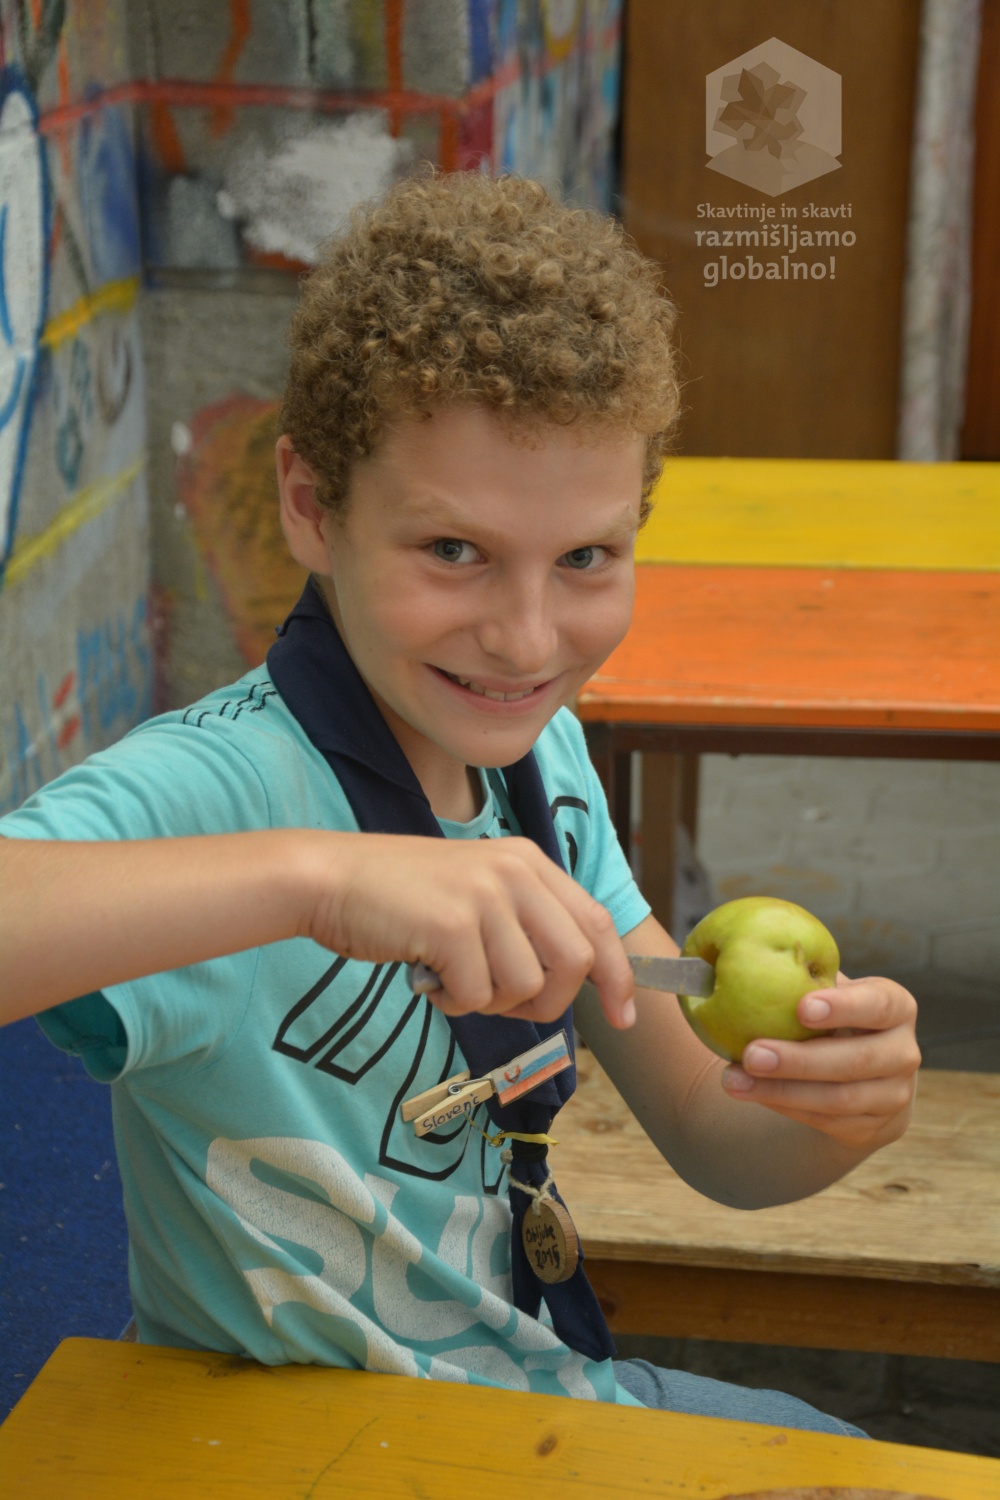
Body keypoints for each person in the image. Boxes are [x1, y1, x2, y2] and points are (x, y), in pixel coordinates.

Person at [0, 173, 918, 1434]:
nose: (526, 638)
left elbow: (709, 1134)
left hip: (534, 1401)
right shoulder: (222, 787)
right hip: (286, 1444)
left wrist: (829, 1117)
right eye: (452, 551)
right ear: (312, 507)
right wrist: (320, 879)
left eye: (585, 558)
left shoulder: (543, 767)